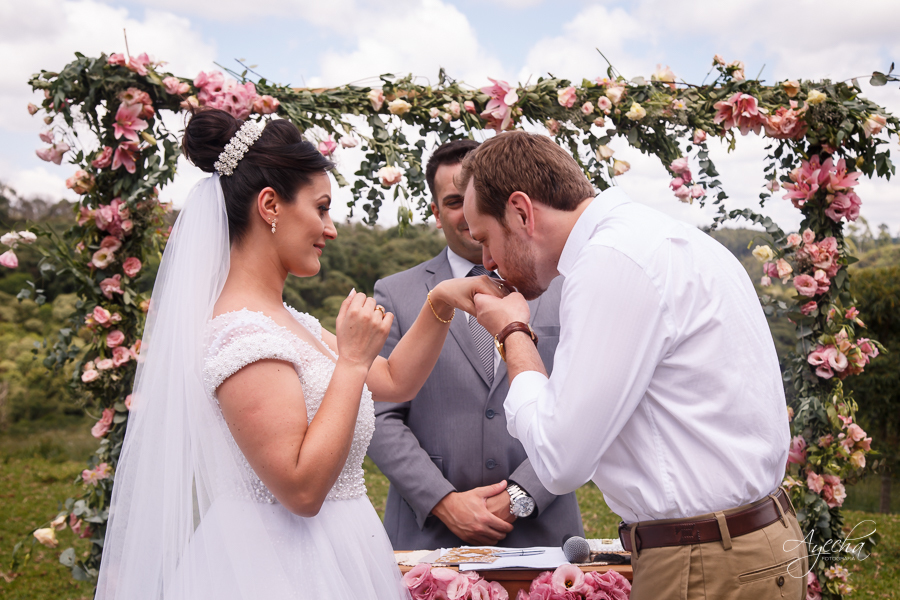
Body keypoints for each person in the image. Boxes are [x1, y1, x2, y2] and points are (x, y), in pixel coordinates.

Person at [94, 110, 504, 600]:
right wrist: (351, 362)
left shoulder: (288, 320)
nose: (330, 229)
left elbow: (395, 380)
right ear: (270, 205)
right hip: (278, 571)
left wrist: (439, 302)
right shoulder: (241, 338)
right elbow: (302, 490)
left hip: (343, 552)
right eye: (322, 208)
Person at [459, 131, 808, 600]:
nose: (486, 262)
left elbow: (561, 461)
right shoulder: (662, 237)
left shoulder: (610, 263)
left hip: (703, 562)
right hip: (748, 542)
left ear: (521, 212)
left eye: (485, 239)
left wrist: (511, 333)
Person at [368, 140, 583, 550]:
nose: (465, 216)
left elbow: (583, 406)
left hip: (544, 534)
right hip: (428, 535)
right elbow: (380, 415)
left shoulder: (564, 288)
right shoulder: (396, 293)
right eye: (452, 201)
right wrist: (443, 501)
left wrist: (521, 495)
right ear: (435, 211)